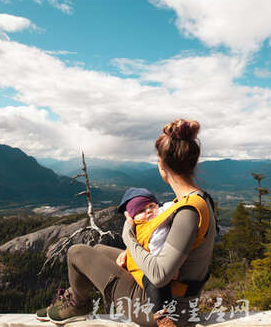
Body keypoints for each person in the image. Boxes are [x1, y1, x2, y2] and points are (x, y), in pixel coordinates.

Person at [36, 118, 216, 327]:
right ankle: (74, 297)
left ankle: (78, 305)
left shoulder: (188, 212)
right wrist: (132, 255)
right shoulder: (199, 199)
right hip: (176, 298)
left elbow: (159, 276)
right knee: (99, 250)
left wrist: (129, 238)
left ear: (162, 165)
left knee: (76, 252)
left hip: (164, 310)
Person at [115, 187, 177, 326]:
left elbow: (172, 206)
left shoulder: (161, 218)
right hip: (141, 265)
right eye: (141, 210)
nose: (148, 211)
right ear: (133, 217)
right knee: (154, 282)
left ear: (157, 205)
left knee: (155, 282)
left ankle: (163, 317)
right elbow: (140, 240)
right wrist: (127, 251)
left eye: (151, 206)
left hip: (154, 267)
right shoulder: (139, 226)